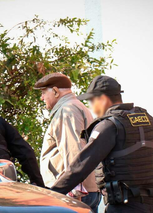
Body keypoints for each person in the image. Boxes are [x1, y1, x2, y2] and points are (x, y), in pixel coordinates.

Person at [51, 75, 153, 213]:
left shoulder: (109, 125)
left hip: (122, 207)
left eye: (91, 101)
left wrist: (51, 194)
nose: (91, 107)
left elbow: (81, 166)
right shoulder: (148, 120)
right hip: (147, 207)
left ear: (103, 99)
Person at [34, 73, 101, 212]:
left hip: (73, 193)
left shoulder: (67, 110)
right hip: (84, 190)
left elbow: (73, 150)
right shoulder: (76, 106)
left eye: (43, 93)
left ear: (55, 91)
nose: (42, 98)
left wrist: (75, 190)